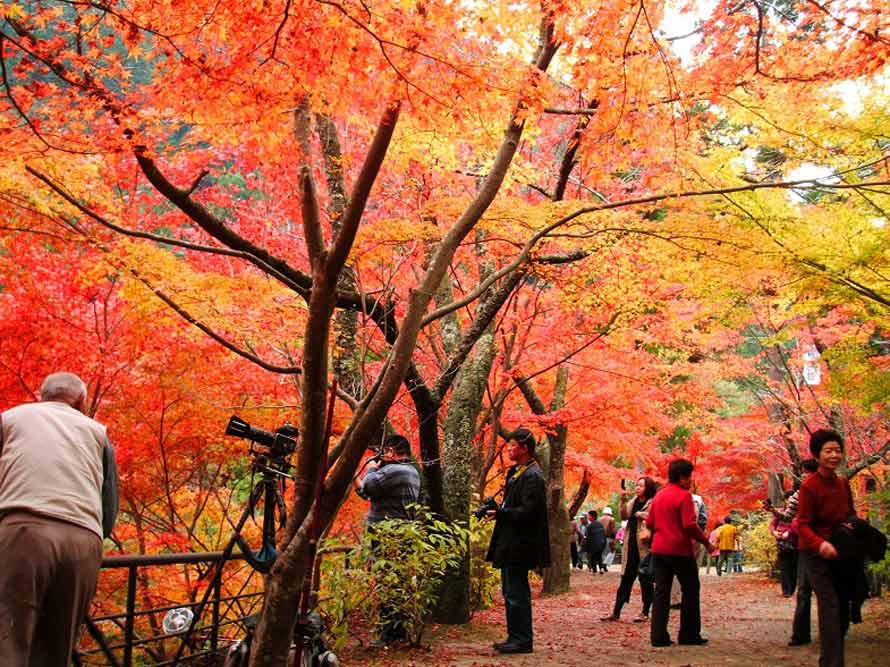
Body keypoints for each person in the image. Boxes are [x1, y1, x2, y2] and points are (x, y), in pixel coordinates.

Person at [0, 372, 119, 666]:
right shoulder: (98, 432)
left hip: (24, 528)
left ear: (43, 395)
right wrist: (94, 539)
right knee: (58, 646)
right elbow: (109, 502)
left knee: (9, 639)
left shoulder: (10, 419)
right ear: (81, 400)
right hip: (84, 540)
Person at [485, 428, 550, 655]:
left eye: (513, 445)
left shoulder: (532, 476)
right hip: (511, 541)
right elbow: (515, 507)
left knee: (516, 592)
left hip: (520, 544)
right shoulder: (518, 472)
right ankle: (515, 637)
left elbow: (529, 512)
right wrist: (499, 512)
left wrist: (502, 513)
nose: (509, 449)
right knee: (510, 591)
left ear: (524, 448)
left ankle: (522, 640)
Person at [354, 433, 421, 646]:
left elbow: (371, 484)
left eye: (384, 452)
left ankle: (390, 635)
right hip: (395, 535)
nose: (381, 457)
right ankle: (395, 632)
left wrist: (372, 467)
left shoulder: (397, 470)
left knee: (390, 584)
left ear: (392, 451)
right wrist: (355, 478)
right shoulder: (408, 471)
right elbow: (368, 492)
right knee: (393, 583)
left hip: (391, 536)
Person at [797, 429, 856, 667]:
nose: (834, 455)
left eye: (837, 450)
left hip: (840, 550)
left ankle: (829, 658)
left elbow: (850, 513)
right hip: (816, 553)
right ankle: (833, 663)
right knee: (829, 605)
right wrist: (820, 544)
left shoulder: (842, 483)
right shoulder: (809, 487)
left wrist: (852, 526)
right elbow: (802, 524)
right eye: (828, 451)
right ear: (817, 454)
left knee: (842, 606)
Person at [646, 458, 714, 648]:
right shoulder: (684, 496)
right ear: (682, 477)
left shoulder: (659, 496)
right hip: (679, 550)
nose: (690, 480)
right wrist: (706, 542)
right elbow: (689, 525)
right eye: (689, 476)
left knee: (661, 592)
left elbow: (650, 523)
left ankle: (658, 636)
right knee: (691, 589)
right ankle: (689, 634)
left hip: (659, 549)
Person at [601, 476, 657, 622]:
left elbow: (656, 518)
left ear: (648, 488)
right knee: (626, 578)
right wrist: (623, 499)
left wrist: (642, 515)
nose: (638, 488)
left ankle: (645, 612)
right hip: (630, 544)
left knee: (645, 579)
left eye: (641, 486)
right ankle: (616, 611)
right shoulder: (633, 501)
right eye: (637, 485)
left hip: (644, 547)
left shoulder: (653, 502)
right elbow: (623, 515)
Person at [785, 458, 820, 647]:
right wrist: (773, 510)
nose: (804, 476)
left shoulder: (835, 487)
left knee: (823, 591)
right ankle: (800, 634)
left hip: (821, 545)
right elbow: (788, 516)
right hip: (807, 546)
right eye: (803, 473)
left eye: (806, 472)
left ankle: (832, 630)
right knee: (805, 590)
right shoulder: (798, 495)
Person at [770, 490, 798, 597]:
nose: (790, 501)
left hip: (794, 542)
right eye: (788, 499)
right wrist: (774, 532)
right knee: (784, 566)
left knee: (793, 566)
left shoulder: (796, 512)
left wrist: (789, 532)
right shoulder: (780, 512)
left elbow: (797, 524)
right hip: (782, 542)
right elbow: (772, 524)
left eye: (792, 498)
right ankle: (786, 590)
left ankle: (791, 588)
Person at [598, 506, 617, 572]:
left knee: (603, 552)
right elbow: (613, 530)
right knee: (611, 551)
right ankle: (605, 563)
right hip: (609, 538)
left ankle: (603, 565)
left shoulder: (599, 519)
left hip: (600, 538)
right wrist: (615, 538)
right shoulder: (612, 519)